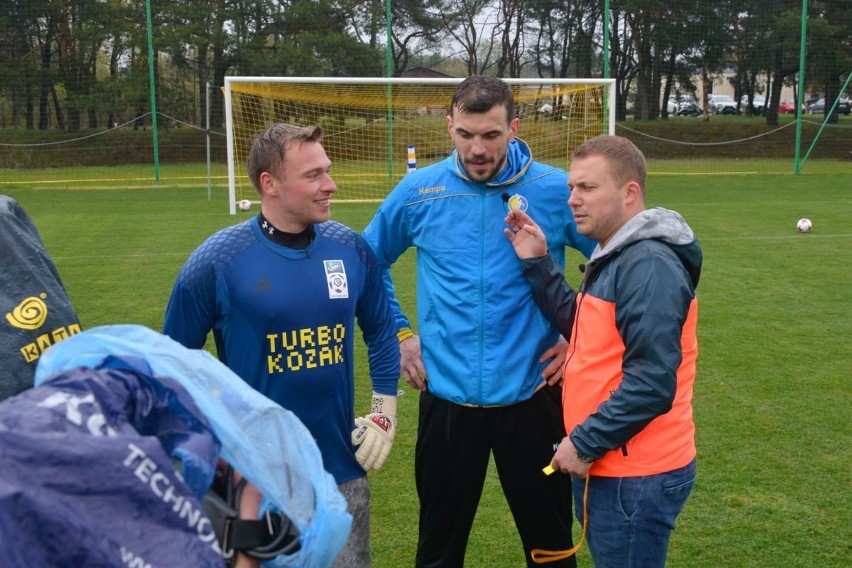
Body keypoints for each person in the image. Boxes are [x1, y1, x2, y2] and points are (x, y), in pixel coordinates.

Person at [361, 75, 596, 567]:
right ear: (449, 127)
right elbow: (368, 261)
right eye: (466, 134)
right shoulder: (419, 190)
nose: (478, 148)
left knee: (551, 546)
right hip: (447, 400)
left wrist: (579, 340)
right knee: (438, 549)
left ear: (514, 127)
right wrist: (402, 335)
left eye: (491, 135)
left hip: (534, 399)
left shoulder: (555, 190)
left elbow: (613, 264)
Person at [163, 124, 401, 568]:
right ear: (269, 184)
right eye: (313, 175)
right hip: (254, 479)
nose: (330, 184)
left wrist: (384, 408)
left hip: (340, 471)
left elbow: (381, 330)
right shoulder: (217, 261)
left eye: (327, 171)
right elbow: (172, 365)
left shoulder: (351, 248)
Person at [503, 134, 701, 568]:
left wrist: (586, 442)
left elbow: (651, 383)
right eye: (572, 187)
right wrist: (538, 262)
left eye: (588, 188)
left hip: (635, 472)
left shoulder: (648, 264)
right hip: (614, 464)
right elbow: (586, 329)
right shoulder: (616, 254)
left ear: (630, 192)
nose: (572, 199)